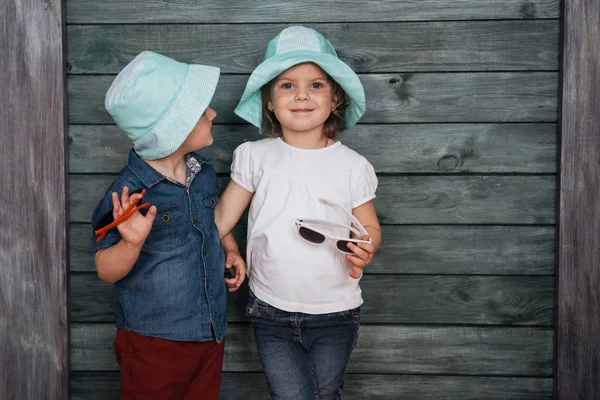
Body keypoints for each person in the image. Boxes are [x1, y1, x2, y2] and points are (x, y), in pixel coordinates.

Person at [214, 26, 382, 399]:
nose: (302, 94)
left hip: (336, 311)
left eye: (316, 85)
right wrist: (229, 246)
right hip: (269, 309)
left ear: (335, 98)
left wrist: (366, 246)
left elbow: (368, 225)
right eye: (287, 85)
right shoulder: (255, 156)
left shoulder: (353, 166)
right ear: (269, 101)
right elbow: (221, 218)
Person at [90, 51, 245, 399]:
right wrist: (130, 245)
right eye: (203, 110)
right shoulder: (129, 195)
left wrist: (230, 248)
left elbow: (209, 217)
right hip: (154, 342)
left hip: (208, 331)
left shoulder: (201, 173)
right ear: (176, 126)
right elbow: (105, 269)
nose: (214, 113)